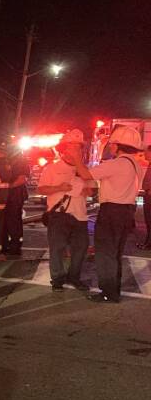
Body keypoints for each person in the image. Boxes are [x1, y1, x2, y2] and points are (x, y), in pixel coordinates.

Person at [68, 125, 142, 303]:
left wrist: (76, 158)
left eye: (111, 144)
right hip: (126, 212)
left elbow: (85, 174)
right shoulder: (135, 165)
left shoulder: (116, 164)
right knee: (115, 254)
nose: (109, 147)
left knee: (105, 254)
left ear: (117, 145)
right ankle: (113, 291)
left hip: (112, 212)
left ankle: (108, 292)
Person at [37, 129, 90, 292]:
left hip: (80, 215)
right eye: (73, 146)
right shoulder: (52, 168)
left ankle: (74, 277)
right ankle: (58, 279)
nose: (76, 150)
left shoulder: (83, 169)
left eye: (79, 147)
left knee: (81, 248)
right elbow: (41, 188)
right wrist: (58, 188)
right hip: (59, 215)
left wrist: (86, 190)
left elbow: (92, 190)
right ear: (64, 148)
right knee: (57, 248)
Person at [0, 142, 30, 256]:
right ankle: (4, 245)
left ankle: (15, 246)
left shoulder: (21, 161)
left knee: (13, 221)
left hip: (15, 196)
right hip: (4, 196)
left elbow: (22, 179)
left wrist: (7, 186)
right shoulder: (5, 161)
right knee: (2, 222)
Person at [137, 144, 151, 250]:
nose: (144, 154)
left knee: (149, 220)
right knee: (148, 220)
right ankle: (148, 242)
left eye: (146, 152)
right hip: (147, 194)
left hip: (150, 195)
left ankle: (149, 244)